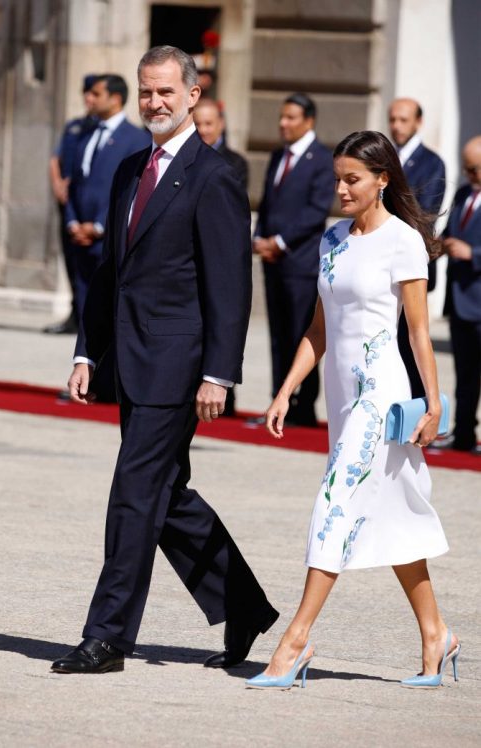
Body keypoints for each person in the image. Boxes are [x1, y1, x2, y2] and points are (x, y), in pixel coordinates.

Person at [51, 46, 278, 675]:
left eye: (166, 93)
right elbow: (108, 275)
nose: (155, 102)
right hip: (128, 358)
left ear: (193, 96)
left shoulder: (215, 175)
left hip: (178, 364)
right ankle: (246, 606)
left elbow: (229, 283)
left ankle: (107, 637)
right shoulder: (130, 169)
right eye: (147, 93)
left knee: (132, 491)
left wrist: (218, 372)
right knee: (166, 495)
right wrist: (86, 351)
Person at [245, 131, 459, 691]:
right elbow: (318, 328)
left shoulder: (404, 242)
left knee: (335, 502)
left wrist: (434, 404)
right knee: (390, 516)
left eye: (352, 179)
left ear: (382, 179)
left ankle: (294, 641)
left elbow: (417, 333)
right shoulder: (333, 238)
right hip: (342, 398)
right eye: (338, 177)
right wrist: (287, 390)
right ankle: (436, 633)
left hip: (379, 396)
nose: (340, 188)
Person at [253, 93, 333, 427]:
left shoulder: (322, 159)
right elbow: (268, 203)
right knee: (278, 335)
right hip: (273, 262)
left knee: (305, 334)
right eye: (282, 117)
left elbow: (316, 211)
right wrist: (260, 238)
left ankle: (303, 407)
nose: (283, 123)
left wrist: (281, 242)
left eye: (291, 118)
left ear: (309, 121)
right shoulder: (277, 156)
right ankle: (278, 398)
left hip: (301, 264)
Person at [64, 74, 151, 323]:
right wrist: (73, 223)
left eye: (96, 94)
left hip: (109, 238)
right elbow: (75, 182)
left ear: (114, 99)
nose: (88, 98)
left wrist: (100, 225)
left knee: (106, 311)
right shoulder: (84, 133)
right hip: (79, 236)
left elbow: (131, 190)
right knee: (84, 306)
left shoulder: (136, 140)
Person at [194, 96, 249, 416]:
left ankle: (225, 390)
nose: (203, 130)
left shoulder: (233, 163)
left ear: (221, 125)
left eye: (209, 124)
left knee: (225, 319)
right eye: (198, 123)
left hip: (220, 253)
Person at [388, 98, 446, 397]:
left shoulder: (431, 162)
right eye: (393, 119)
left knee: (413, 342)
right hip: (382, 269)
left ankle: (417, 407)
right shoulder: (383, 160)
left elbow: (424, 214)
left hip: (410, 265)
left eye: (403, 120)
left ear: (418, 122)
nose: (397, 126)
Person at [432, 136, 481, 455]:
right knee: (465, 374)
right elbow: (450, 232)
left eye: (474, 169)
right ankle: (463, 432)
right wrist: (441, 245)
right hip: (461, 299)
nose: (468, 175)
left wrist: (474, 253)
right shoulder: (464, 193)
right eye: (465, 169)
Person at [44, 74, 98, 335]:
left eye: (94, 93)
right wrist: (57, 183)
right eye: (86, 93)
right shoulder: (74, 126)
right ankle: (75, 313)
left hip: (91, 209)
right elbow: (56, 158)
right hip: (69, 206)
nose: (89, 98)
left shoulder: (101, 131)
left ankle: (87, 316)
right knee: (71, 260)